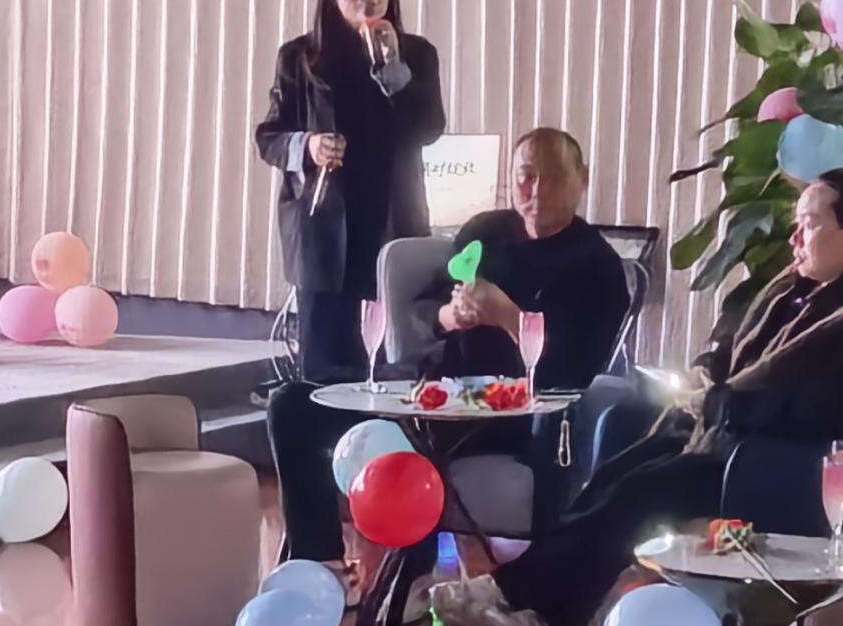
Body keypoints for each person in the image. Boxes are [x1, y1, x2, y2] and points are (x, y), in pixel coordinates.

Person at [459, 168, 843, 626]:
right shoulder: (787, 291)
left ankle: (511, 595)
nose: (794, 237)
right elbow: (726, 349)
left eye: (809, 224)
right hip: (720, 439)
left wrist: (719, 404)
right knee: (614, 476)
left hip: (774, 466)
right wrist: (704, 374)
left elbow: (818, 414)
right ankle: (553, 623)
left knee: (643, 494)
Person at [268, 126, 632, 565]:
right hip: (434, 388)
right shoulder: (486, 231)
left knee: (415, 444)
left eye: (553, 177)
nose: (536, 191)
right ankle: (319, 563)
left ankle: (414, 569)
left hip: (505, 414)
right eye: (526, 176)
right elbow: (428, 312)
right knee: (292, 404)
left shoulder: (598, 267)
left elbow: (572, 374)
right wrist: (452, 316)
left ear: (582, 180)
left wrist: (508, 316)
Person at [254, 0, 446, 390]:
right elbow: (269, 137)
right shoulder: (300, 57)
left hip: (392, 222)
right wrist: (308, 146)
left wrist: (393, 68)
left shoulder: (417, 54)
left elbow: (429, 129)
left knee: (392, 365)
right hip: (323, 231)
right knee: (326, 368)